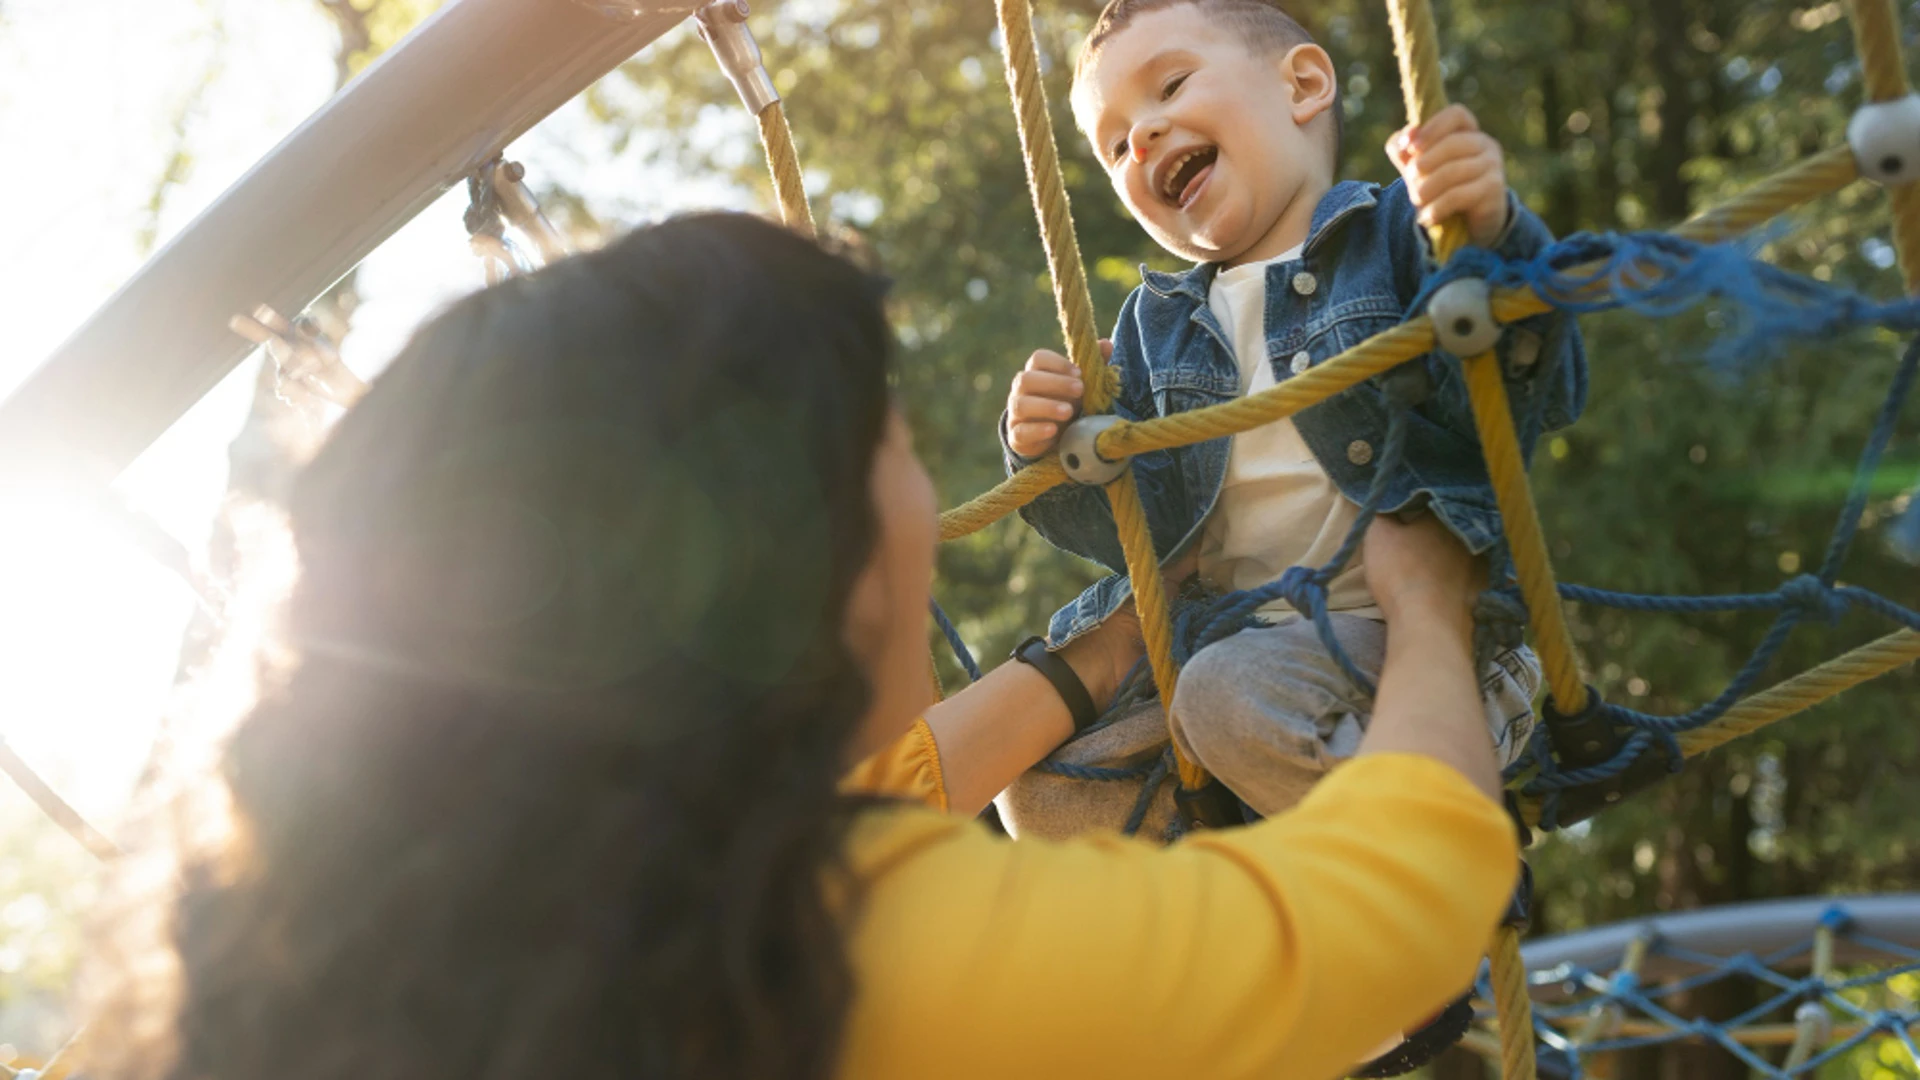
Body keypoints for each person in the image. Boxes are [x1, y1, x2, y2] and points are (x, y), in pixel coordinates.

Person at [91, 213, 1519, 1080]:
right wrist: (1433, 611)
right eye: (898, 450)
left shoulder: (366, 949)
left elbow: (896, 778)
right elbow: (1398, 908)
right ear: (812, 562)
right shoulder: (850, 956)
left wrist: (1102, 659)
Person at [999, 0, 1586, 828]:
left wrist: (1489, 233)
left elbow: (1533, 389)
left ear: (1304, 85)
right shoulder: (1152, 326)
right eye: (1117, 145)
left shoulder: (1394, 236)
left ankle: (1429, 863)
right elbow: (1138, 535)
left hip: (1421, 637)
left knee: (1225, 696)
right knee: (1040, 793)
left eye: (1169, 86)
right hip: (1241, 653)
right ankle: (1280, 906)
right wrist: (1050, 449)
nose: (1146, 140)